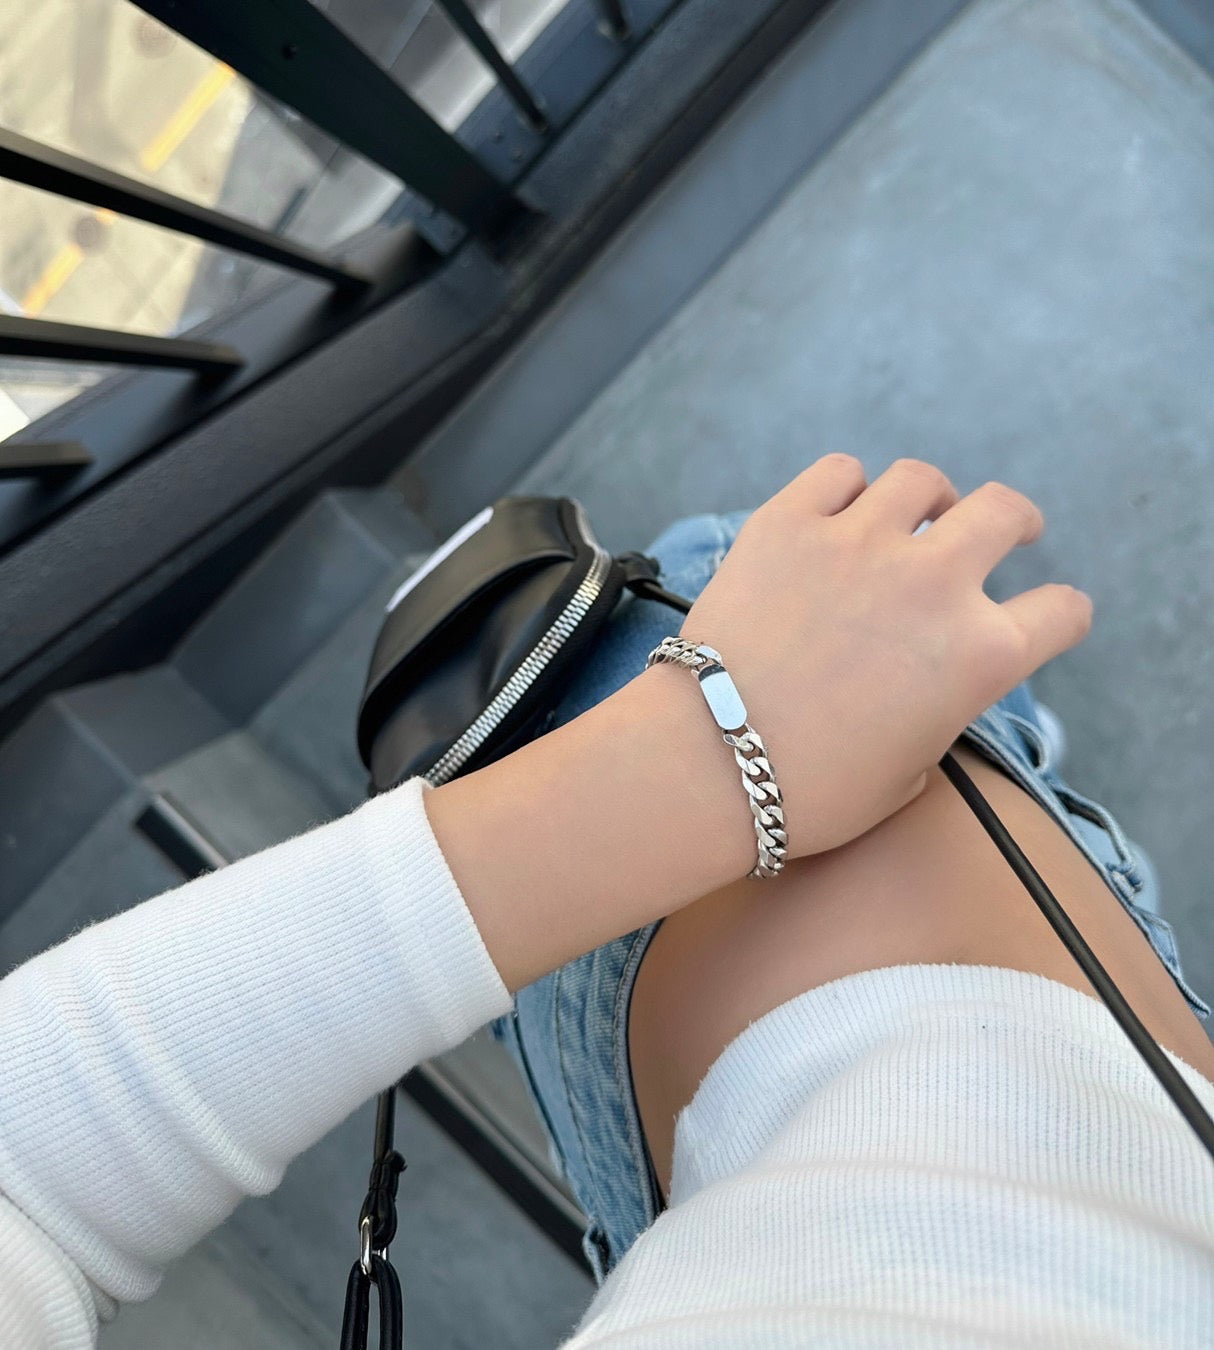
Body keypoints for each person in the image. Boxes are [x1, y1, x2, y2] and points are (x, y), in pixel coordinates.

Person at [0, 455, 1210, 1348]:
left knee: (752, 614)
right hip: (973, 1083)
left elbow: (25, 1177)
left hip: (724, 1196)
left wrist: (712, 753)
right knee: (724, 578)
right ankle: (1049, 799)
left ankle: (1046, 798)